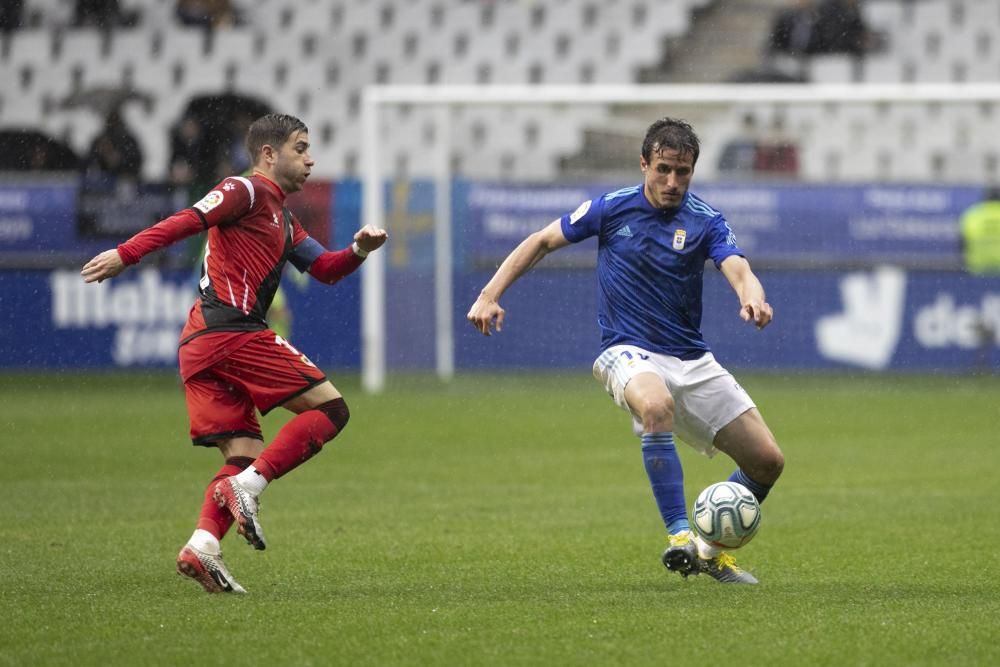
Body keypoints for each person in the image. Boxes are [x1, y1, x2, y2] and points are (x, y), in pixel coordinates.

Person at [467, 117, 784, 584]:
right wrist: (489, 294)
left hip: (692, 358)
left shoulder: (705, 219)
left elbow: (737, 266)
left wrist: (751, 297)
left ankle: (708, 550)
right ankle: (679, 536)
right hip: (626, 350)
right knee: (656, 406)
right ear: (643, 164)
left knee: (767, 462)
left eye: (683, 172)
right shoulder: (611, 208)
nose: (672, 182)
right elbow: (542, 241)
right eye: (663, 170)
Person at [81, 113, 388, 594]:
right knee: (331, 408)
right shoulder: (243, 191)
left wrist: (359, 249)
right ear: (269, 154)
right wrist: (128, 253)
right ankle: (249, 488)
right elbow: (189, 219)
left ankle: (203, 545)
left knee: (242, 453)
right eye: (301, 148)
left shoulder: (284, 220)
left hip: (203, 344)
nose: (311, 159)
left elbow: (326, 269)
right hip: (231, 331)